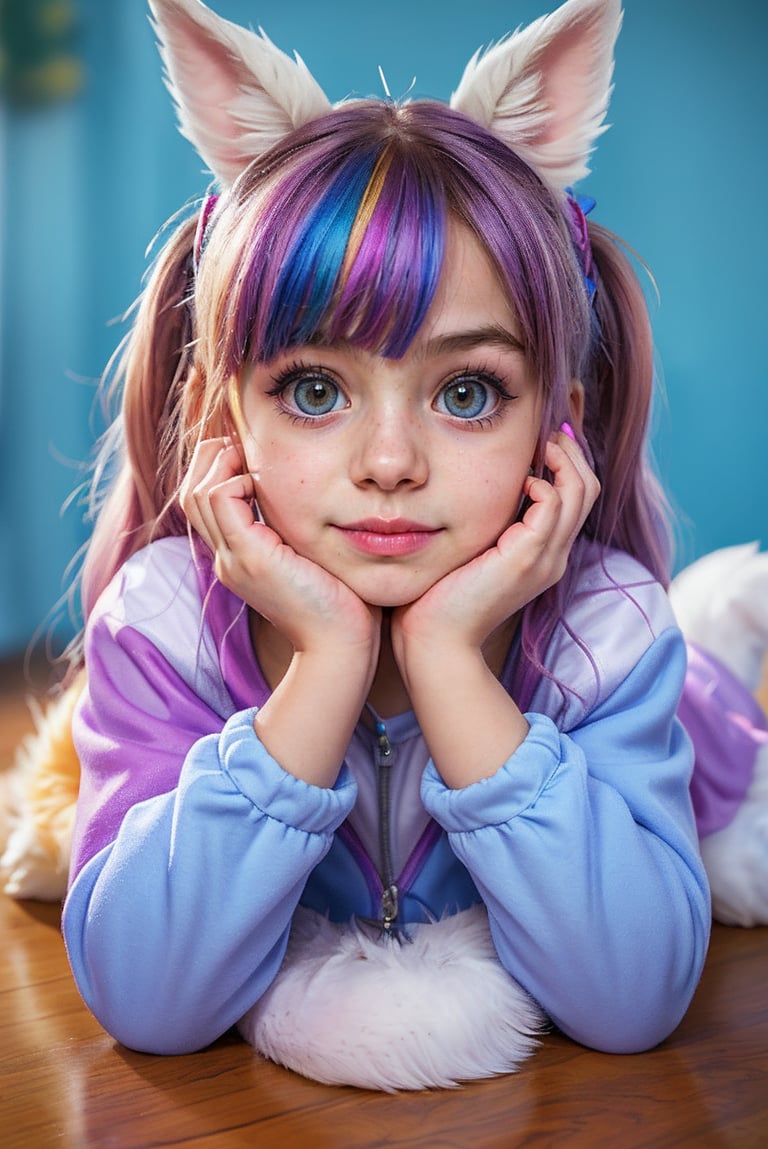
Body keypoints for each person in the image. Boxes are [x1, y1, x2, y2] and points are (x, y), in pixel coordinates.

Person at [59, 0, 712, 1090]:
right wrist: (323, 661)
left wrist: (453, 657)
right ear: (226, 419)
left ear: (560, 421)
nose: (392, 461)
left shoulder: (609, 628)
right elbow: (149, 1004)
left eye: (467, 392)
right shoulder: (166, 622)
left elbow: (635, 1001)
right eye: (316, 389)